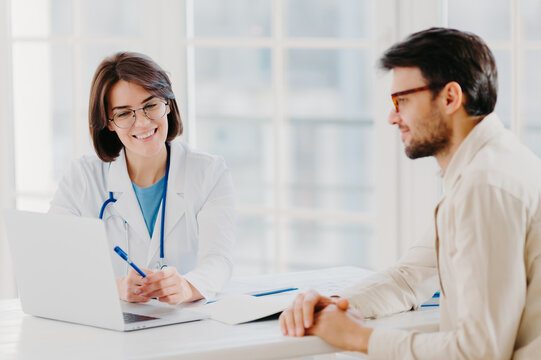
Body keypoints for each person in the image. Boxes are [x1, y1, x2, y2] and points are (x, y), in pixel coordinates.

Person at [279, 27, 541, 359]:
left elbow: (480, 353)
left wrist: (360, 339)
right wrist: (338, 305)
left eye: (401, 100)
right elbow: (410, 277)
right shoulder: (485, 167)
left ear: (450, 98)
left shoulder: (485, 186)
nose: (392, 117)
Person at [49, 52, 236, 305]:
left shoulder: (208, 172)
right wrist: (114, 287)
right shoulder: (82, 177)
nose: (143, 123)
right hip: (110, 328)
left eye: (151, 105)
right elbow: (53, 262)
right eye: (124, 113)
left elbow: (219, 259)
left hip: (185, 325)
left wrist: (186, 287)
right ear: (109, 123)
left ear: (168, 104)